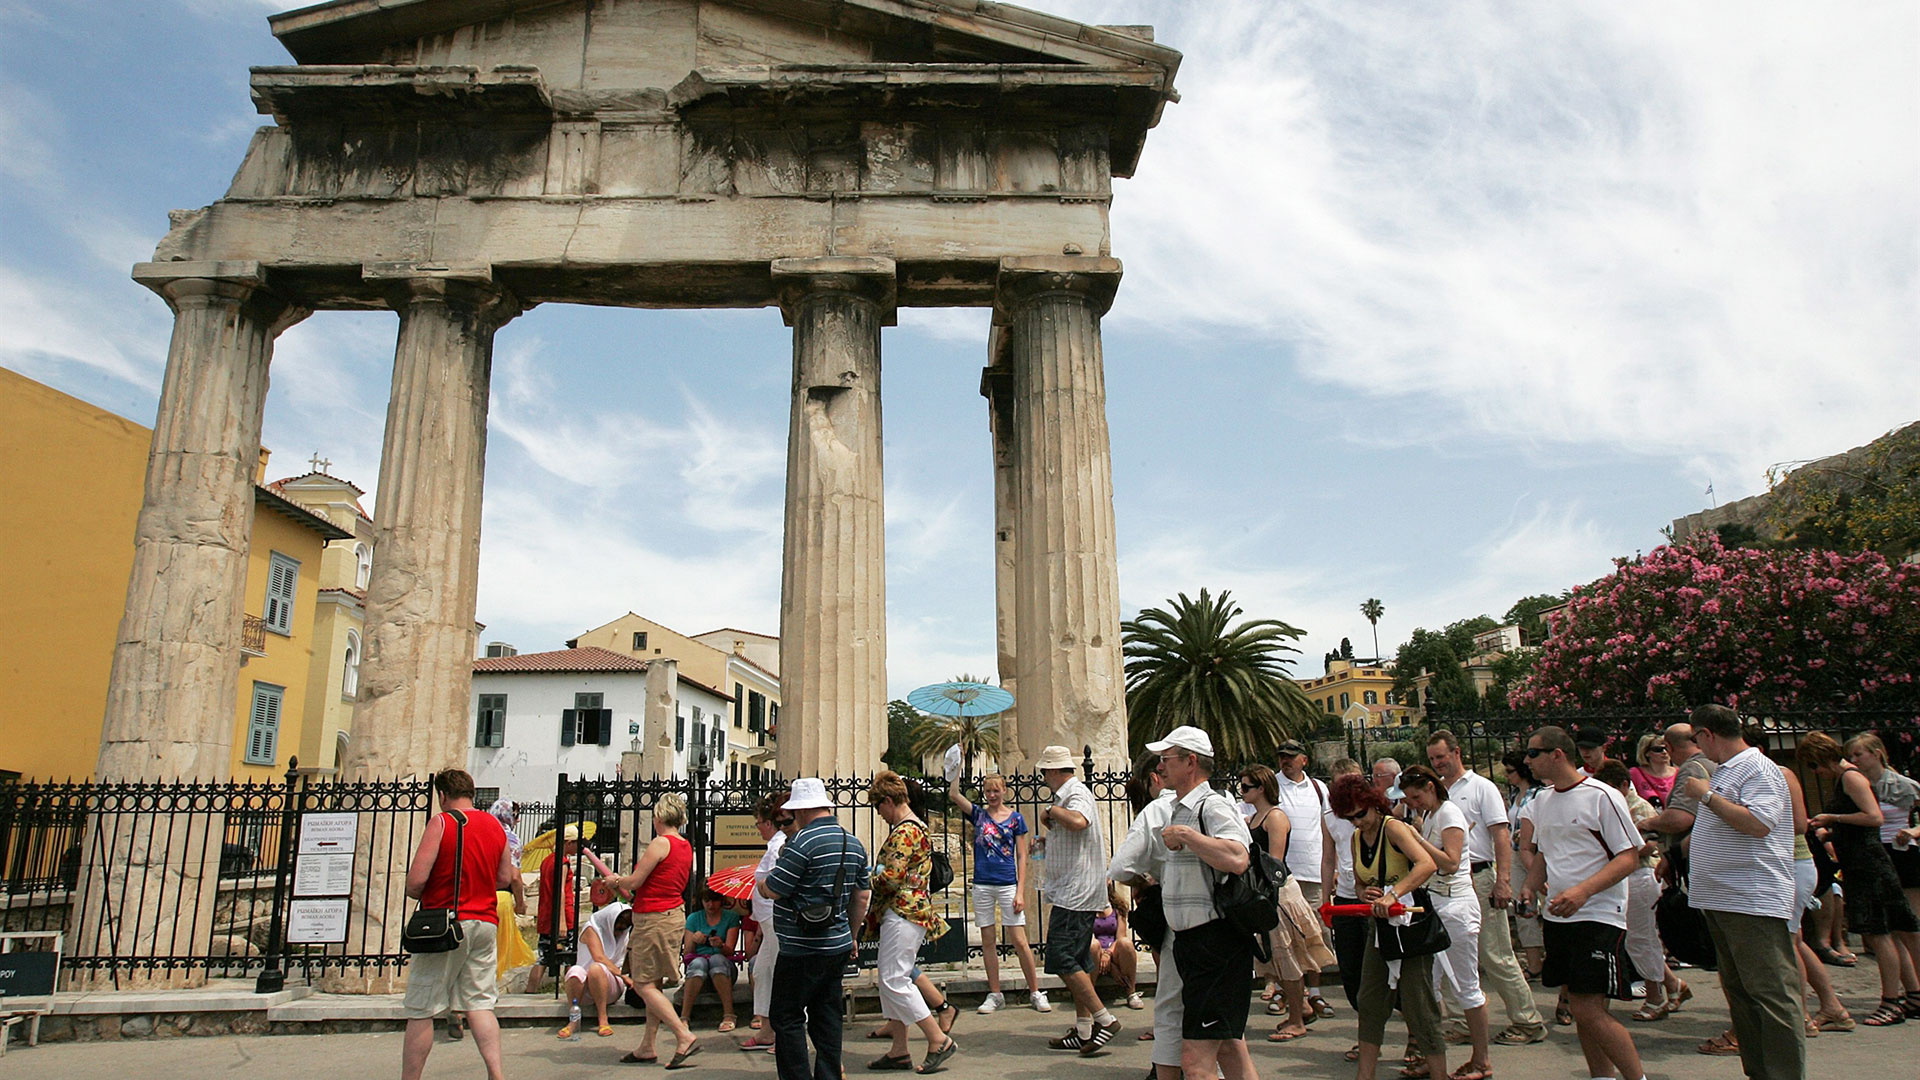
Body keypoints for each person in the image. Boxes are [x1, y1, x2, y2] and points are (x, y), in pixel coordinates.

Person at [1672, 706, 1802, 1080]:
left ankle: (1783, 1073)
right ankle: (1760, 1070)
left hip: (1751, 896)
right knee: (1741, 992)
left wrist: (1707, 796)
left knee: (1770, 993)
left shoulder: (1758, 769)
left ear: (1708, 734)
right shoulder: (1729, 770)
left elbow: (1759, 823)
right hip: (1723, 896)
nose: (1696, 748)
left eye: (1696, 739)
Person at [1520, 727, 1647, 1080]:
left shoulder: (1601, 796)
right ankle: (1601, 1076)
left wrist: (1582, 892)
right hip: (1560, 917)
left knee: (1587, 1008)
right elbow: (1544, 852)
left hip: (1599, 915)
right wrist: (1531, 887)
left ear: (1557, 754)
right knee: (1583, 1007)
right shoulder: (1542, 800)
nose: (1527, 760)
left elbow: (1628, 857)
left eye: (1533, 753)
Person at [1145, 726, 1259, 1080]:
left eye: (1167, 759)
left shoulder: (1213, 805)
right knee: (1228, 1045)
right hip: (1193, 944)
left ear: (1190, 762)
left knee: (1195, 1063)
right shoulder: (1180, 808)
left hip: (1215, 942)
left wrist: (1188, 837)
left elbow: (1239, 857)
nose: (1160, 767)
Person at [1425, 731, 1547, 1047]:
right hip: (1446, 883)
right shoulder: (1436, 793)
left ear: (1456, 752)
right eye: (1433, 759)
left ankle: (1527, 1020)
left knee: (1495, 953)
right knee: (1450, 954)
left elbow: (1501, 836)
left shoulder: (1482, 788)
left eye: (1441, 756)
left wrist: (1503, 880)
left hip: (1479, 877)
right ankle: (1461, 1022)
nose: (1438, 763)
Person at [400, 768, 518, 1080]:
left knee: (422, 1007)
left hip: (447, 923)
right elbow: (505, 878)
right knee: (480, 1003)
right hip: (485, 920)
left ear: (442, 795)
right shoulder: (495, 826)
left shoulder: (443, 822)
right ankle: (496, 1073)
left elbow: (415, 882)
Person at [1801, 732, 1920, 1027]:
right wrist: (1832, 831)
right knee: (1894, 931)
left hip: (1870, 864)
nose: (1817, 773)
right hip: (1862, 861)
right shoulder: (1848, 779)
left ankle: (1891, 1000)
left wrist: (1834, 819)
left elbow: (1874, 817)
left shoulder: (1850, 779)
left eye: (1815, 767)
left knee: (1882, 934)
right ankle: (1913, 994)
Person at [1330, 771, 1442, 1080]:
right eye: (1349, 818)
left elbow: (1427, 864)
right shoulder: (1355, 837)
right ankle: (1365, 1075)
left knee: (1418, 1002)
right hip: (1380, 927)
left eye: (1360, 814)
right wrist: (1368, 894)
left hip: (1410, 925)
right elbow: (1360, 882)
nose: (1357, 822)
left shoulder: (1393, 828)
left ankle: (1438, 1073)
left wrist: (1393, 893)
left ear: (1373, 803)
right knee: (1369, 1000)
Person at [761, 777, 872, 1080]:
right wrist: (851, 934)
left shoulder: (801, 843)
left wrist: (761, 884)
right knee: (827, 1017)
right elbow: (862, 896)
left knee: (787, 1017)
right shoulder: (853, 842)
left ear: (803, 811)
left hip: (800, 946)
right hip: (837, 943)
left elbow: (774, 889)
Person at [1397, 765, 1490, 1080]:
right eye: (1409, 799)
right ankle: (1433, 1056)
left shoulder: (1449, 814)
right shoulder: (1435, 815)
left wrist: (1415, 839)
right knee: (1429, 984)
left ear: (1430, 788)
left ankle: (1481, 1060)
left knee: (1467, 985)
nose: (1414, 803)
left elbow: (1450, 862)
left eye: (1417, 796)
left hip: (1455, 903)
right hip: (1436, 903)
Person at [866, 771, 959, 1073]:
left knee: (895, 979)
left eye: (878, 806)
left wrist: (865, 877)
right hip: (910, 911)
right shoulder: (916, 827)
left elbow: (891, 878)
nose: (879, 814)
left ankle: (937, 1038)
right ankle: (899, 1050)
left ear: (889, 801)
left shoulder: (905, 831)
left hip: (904, 911)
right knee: (892, 976)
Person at [1033, 744, 1121, 1054]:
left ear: (1056, 771)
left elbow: (1080, 821)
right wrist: (1050, 838)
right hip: (1074, 889)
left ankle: (1104, 1019)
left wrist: (1051, 812)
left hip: (1076, 893)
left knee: (1061, 955)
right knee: (1080, 958)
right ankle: (1084, 1031)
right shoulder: (1068, 794)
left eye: (1045, 771)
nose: (1043, 776)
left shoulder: (1075, 794)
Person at [604, 794, 701, 1067]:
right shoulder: (685, 845)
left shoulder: (661, 843)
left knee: (644, 983)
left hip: (653, 917)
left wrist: (616, 880)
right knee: (654, 981)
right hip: (672, 915)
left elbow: (635, 881)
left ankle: (683, 1035)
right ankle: (647, 1045)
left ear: (659, 817)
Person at [1591, 762, 1688, 1022]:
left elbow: (1651, 844)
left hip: (1642, 875)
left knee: (1641, 938)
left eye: (1610, 788)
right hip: (1623, 877)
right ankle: (1672, 984)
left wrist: (1620, 851)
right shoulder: (1611, 807)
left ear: (1623, 786)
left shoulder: (1640, 807)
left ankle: (1655, 995)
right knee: (1635, 937)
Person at [947, 772, 1046, 1013]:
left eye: (996, 791)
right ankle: (995, 993)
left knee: (1019, 940)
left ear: (1004, 791)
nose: (992, 795)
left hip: (1007, 883)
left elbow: (1022, 856)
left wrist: (1020, 891)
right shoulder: (979, 815)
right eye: (988, 791)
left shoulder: (1015, 819)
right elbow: (953, 794)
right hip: (982, 884)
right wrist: (957, 765)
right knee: (988, 940)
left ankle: (1035, 991)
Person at [1110, 750, 1182, 1080]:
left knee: (1171, 1001)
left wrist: (1144, 880)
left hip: (1172, 916)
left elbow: (1121, 867)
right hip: (1218, 923)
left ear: (1154, 778)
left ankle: (1167, 1070)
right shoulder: (1217, 802)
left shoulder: (1155, 812)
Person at [1240, 764, 1310, 1041]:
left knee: (1286, 954)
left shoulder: (1275, 817)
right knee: (1274, 957)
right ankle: (1299, 1008)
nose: (1242, 791)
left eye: (1246, 787)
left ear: (1261, 789)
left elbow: (1275, 863)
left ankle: (1296, 1018)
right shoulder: (1255, 817)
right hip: (1266, 893)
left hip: (1279, 892)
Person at [1274, 740, 1334, 1018]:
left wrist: (1331, 869)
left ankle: (1317, 993)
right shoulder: (1272, 786)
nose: (1286, 761)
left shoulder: (1319, 789)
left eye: (1291, 757)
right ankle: (1287, 994)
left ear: (1304, 760)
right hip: (1284, 876)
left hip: (1313, 873)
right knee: (1284, 940)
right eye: (1282, 757)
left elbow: (1328, 830)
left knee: (1315, 935)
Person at [1844, 734, 1920, 936]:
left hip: (1900, 850)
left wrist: (1914, 831)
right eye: (1851, 756)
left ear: (1876, 754)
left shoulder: (1904, 784)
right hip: (1872, 851)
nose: (1854, 760)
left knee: (1910, 919)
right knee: (1885, 922)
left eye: (1858, 754)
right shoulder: (1855, 784)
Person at [1319, 759, 1369, 1028]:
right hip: (1346, 899)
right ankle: (1367, 1030)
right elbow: (1328, 859)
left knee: (1385, 969)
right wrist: (1326, 900)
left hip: (1375, 898)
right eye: (1342, 785)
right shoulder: (1329, 817)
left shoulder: (1377, 812)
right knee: (1351, 971)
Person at [741, 792, 793, 1049]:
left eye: (759, 822)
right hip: (767, 921)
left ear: (769, 823)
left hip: (776, 920)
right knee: (762, 972)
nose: (757, 827)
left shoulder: (777, 848)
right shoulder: (774, 847)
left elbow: (776, 883)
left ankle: (786, 1034)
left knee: (779, 976)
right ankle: (767, 1029)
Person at [558, 883, 633, 1040]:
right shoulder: (592, 928)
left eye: (623, 929)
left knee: (596, 969)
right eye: (617, 928)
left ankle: (603, 1018)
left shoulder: (625, 933)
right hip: (587, 984)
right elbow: (599, 956)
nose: (619, 932)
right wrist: (623, 975)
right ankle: (574, 1019)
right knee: (575, 971)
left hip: (609, 984)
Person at [1499, 750, 1544, 979]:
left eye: (1510, 771)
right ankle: (1534, 962)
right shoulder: (1516, 794)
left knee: (1547, 906)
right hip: (1517, 855)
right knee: (1523, 907)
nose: (1507, 776)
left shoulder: (1539, 794)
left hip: (1537, 854)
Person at [681, 885, 743, 1033]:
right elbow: (687, 953)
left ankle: (729, 1014)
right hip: (700, 971)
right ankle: (684, 1017)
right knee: (698, 963)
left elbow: (729, 950)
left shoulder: (731, 917)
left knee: (717, 959)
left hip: (723, 968)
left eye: (714, 900)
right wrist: (694, 940)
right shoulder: (693, 918)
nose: (711, 905)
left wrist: (720, 945)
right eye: (707, 901)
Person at [1091, 882, 1143, 1010]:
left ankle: (1131, 992)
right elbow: (1088, 937)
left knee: (1126, 943)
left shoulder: (1117, 908)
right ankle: (1090, 993)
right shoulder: (1086, 908)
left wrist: (1108, 954)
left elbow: (1120, 936)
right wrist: (1110, 965)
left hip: (1113, 951)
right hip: (1094, 953)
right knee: (1093, 945)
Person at [1629, 736, 1677, 807]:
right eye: (1658, 749)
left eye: (1666, 748)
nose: (1664, 752)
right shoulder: (1635, 773)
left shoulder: (1679, 773)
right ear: (1646, 753)